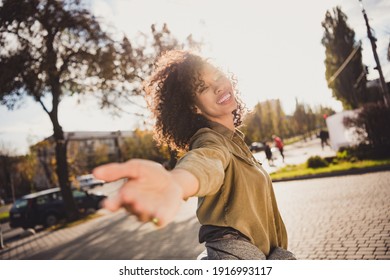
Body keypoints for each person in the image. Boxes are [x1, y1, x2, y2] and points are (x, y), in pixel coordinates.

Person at [93, 50, 295, 260]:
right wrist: (176, 182)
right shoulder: (211, 141)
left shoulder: (234, 142)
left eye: (217, 76)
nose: (217, 86)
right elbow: (205, 161)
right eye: (203, 88)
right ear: (194, 107)